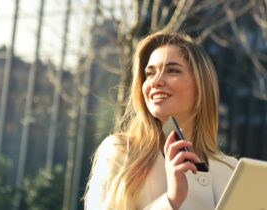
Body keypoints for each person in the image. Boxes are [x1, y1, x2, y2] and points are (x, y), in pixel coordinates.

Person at [84, 32, 237, 210]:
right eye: (150, 73)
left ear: (201, 87)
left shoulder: (231, 171)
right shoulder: (120, 152)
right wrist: (171, 200)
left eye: (172, 70)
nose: (155, 82)